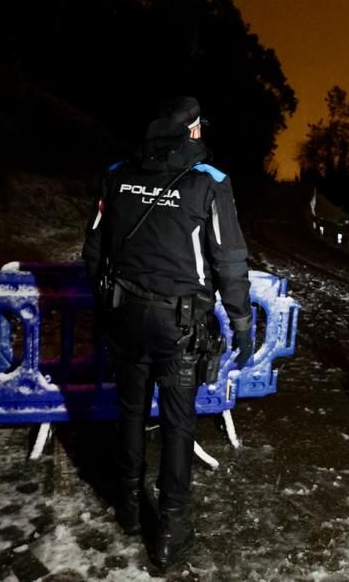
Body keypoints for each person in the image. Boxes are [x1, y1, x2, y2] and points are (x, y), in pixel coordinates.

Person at [82, 96, 254, 570]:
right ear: (194, 131)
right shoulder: (209, 182)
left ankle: (129, 506)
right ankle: (171, 530)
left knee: (131, 410)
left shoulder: (118, 173)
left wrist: (105, 306)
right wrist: (240, 322)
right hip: (179, 324)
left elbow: (94, 249)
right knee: (178, 424)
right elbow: (229, 260)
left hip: (124, 316)